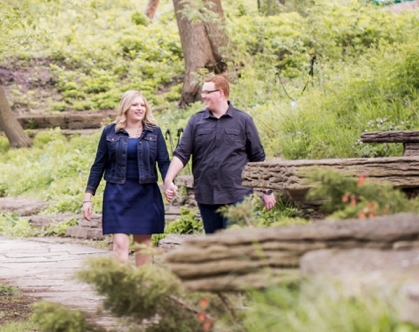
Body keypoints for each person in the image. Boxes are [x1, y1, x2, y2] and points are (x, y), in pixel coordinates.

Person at [163, 74, 277, 234]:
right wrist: (169, 179)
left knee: (235, 244)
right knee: (215, 245)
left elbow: (257, 158)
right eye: (203, 92)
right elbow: (182, 153)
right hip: (206, 195)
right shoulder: (196, 121)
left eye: (207, 92)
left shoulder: (243, 121)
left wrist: (267, 190)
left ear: (221, 93)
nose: (203, 96)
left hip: (237, 194)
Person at [81, 90, 167, 264]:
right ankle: (122, 289)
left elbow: (164, 162)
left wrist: (169, 183)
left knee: (144, 246)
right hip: (117, 194)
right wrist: (88, 198)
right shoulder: (110, 132)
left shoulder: (154, 133)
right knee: (120, 244)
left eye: (142, 105)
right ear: (126, 108)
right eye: (135, 105)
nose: (139, 108)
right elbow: (98, 165)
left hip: (146, 194)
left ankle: (143, 288)